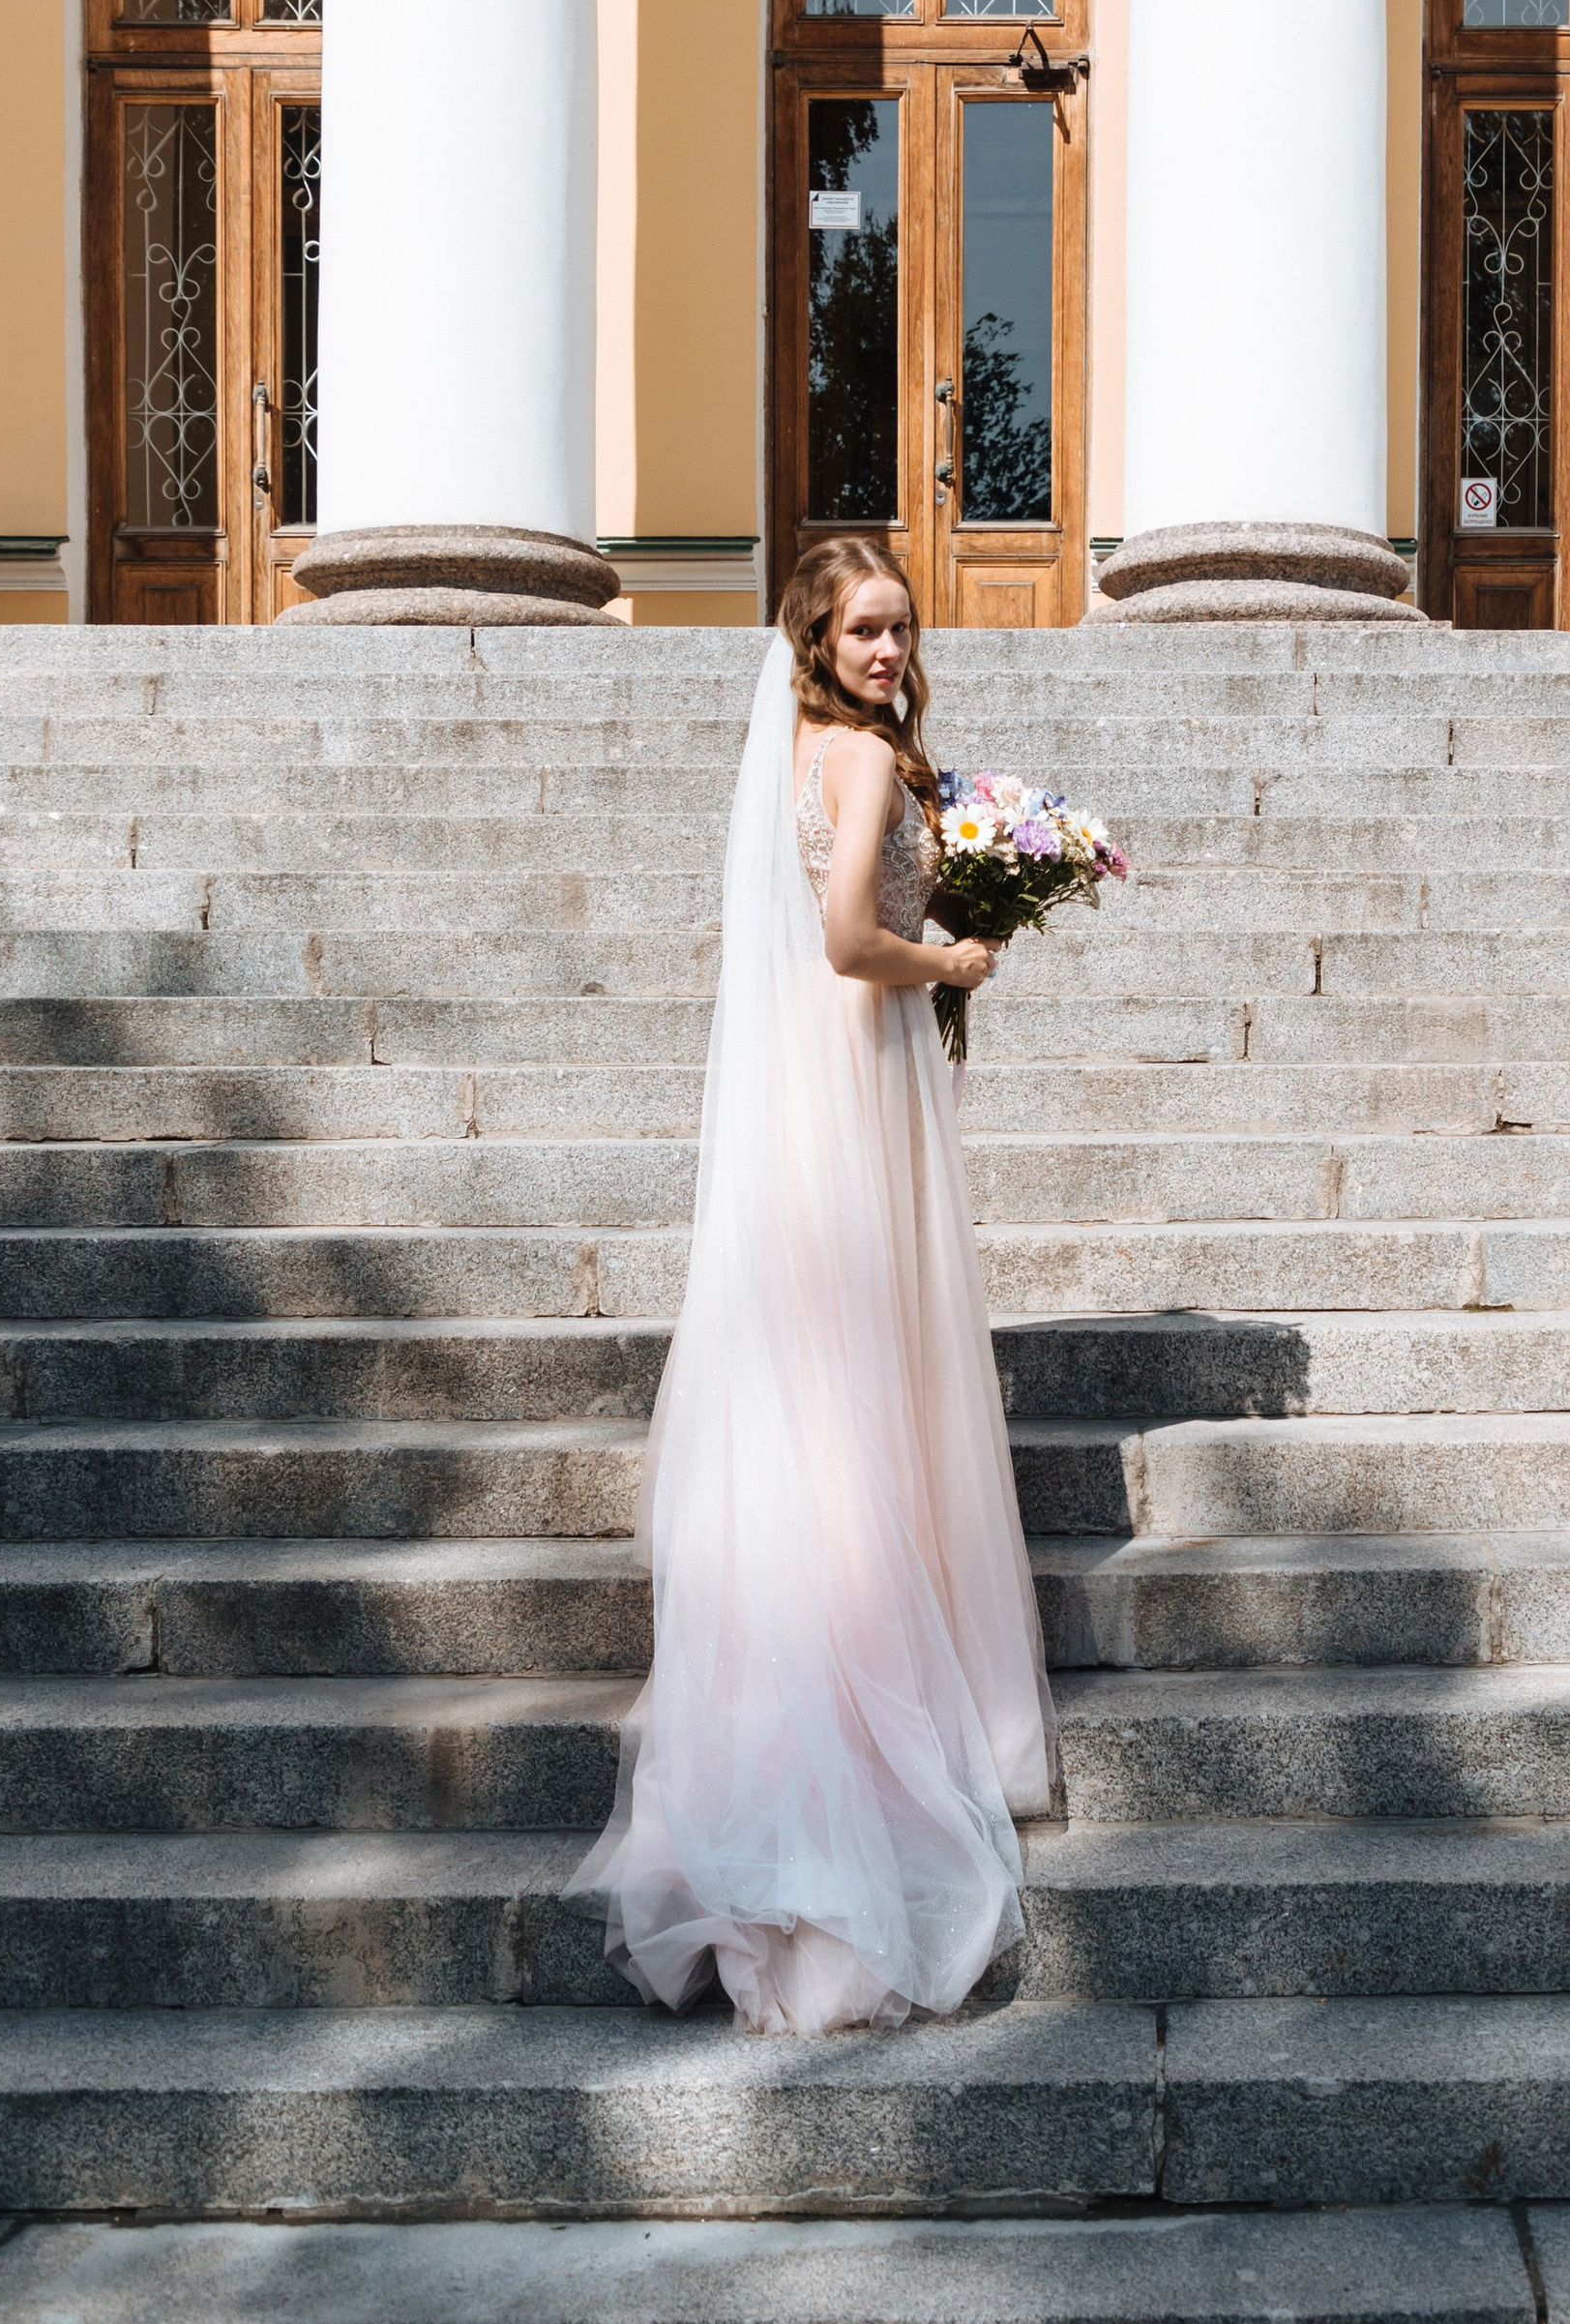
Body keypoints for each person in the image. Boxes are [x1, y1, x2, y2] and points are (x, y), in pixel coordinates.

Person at [566, 536, 1057, 2035]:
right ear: (816, 634)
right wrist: (955, 963)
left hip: (824, 1095)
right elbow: (850, 938)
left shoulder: (807, 741)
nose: (891, 647)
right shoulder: (854, 765)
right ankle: (880, 1713)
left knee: (829, 1391)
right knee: (868, 1384)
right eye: (865, 627)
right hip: (858, 1077)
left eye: (903, 625)